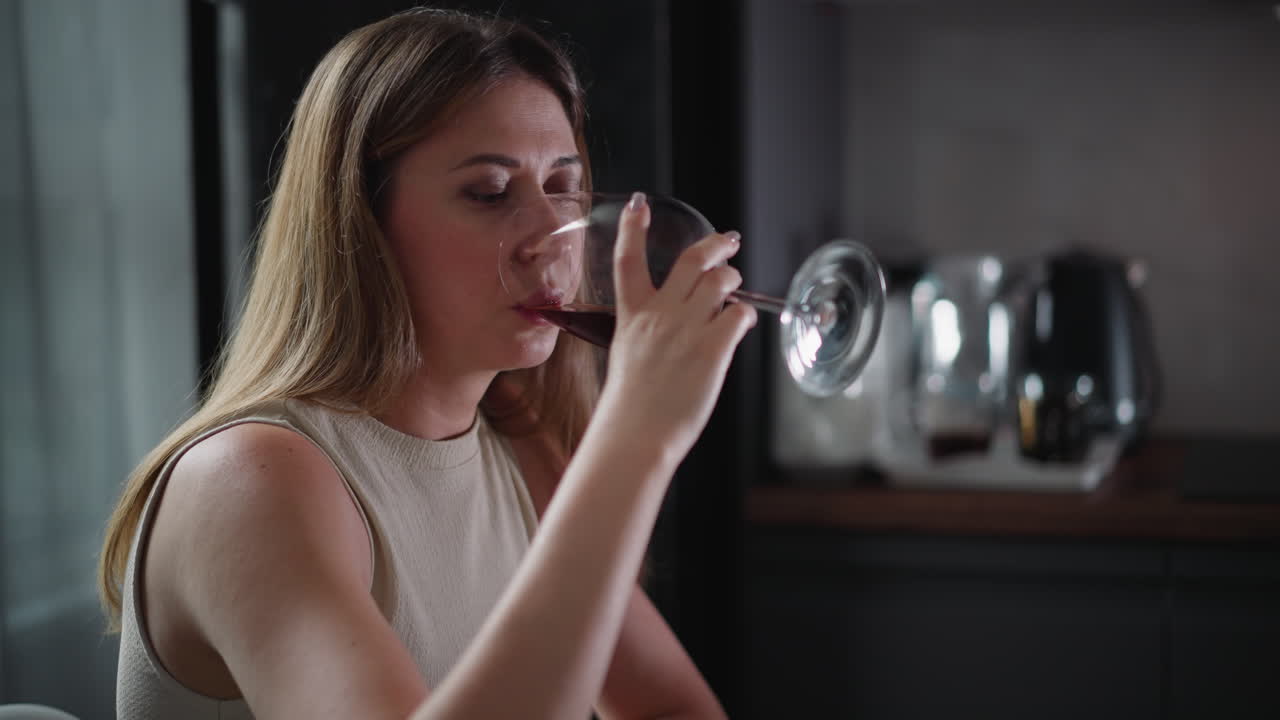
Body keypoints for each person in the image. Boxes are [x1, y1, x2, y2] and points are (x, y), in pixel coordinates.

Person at [98, 7, 756, 719]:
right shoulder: (252, 480)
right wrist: (635, 440)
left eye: (563, 186)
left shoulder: (516, 439)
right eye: (491, 192)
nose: (551, 235)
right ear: (361, 222)